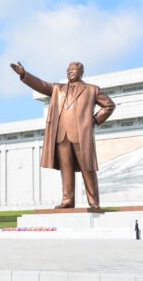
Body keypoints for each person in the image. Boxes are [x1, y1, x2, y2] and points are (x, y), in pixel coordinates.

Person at [10, 61, 116, 208]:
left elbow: (109, 105)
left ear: (81, 72)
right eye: (68, 70)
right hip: (61, 135)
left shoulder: (92, 90)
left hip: (81, 135)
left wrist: (94, 121)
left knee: (88, 168)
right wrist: (24, 74)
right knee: (66, 169)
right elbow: (41, 84)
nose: (69, 72)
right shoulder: (57, 89)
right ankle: (67, 200)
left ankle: (93, 202)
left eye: (73, 70)